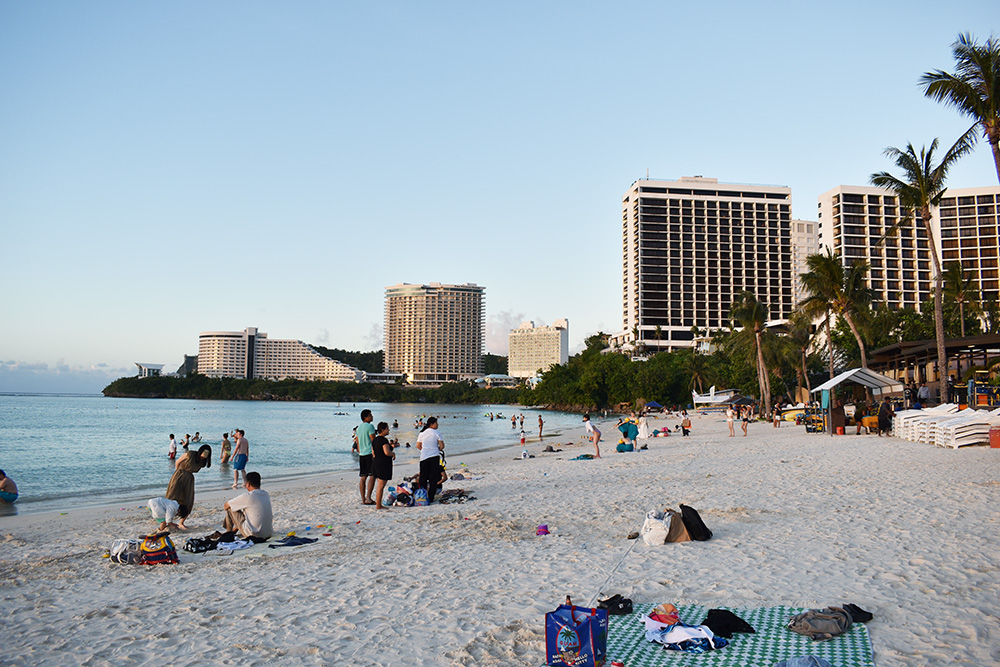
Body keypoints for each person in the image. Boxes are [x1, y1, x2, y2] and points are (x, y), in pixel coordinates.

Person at [223, 471, 273, 540]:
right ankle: (232, 532)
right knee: (246, 510)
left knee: (231, 508)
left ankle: (228, 534)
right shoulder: (265, 494)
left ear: (248, 484)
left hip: (253, 534)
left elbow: (226, 506)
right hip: (267, 533)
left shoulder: (248, 496)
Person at [165, 445, 212, 516]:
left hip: (189, 479)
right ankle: (166, 518)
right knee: (172, 496)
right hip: (179, 475)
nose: (202, 458)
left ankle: (182, 521)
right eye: (202, 456)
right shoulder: (190, 454)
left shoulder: (203, 462)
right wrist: (177, 473)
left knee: (188, 499)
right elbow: (177, 462)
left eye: (204, 457)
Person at [416, 417, 444, 503]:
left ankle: (423, 495)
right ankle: (431, 497)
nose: (437, 425)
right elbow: (442, 446)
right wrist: (436, 449)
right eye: (436, 423)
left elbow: (418, 446)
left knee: (423, 477)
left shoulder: (422, 433)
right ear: (432, 424)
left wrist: (425, 450)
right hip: (434, 456)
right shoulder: (437, 433)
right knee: (433, 478)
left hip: (424, 457)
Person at [372, 422, 395, 510]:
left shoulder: (375, 440)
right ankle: (378, 505)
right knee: (381, 486)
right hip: (383, 464)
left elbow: (373, 453)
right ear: (383, 429)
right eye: (387, 428)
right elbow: (387, 452)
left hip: (376, 462)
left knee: (379, 485)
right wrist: (393, 454)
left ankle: (378, 504)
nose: (388, 430)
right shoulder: (383, 440)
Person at [356, 409, 376, 505]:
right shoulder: (370, 426)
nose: (372, 417)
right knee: (372, 475)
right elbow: (373, 440)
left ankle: (363, 499)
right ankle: (368, 497)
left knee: (363, 477)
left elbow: (357, 442)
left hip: (362, 454)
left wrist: (360, 451)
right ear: (366, 417)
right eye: (370, 415)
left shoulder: (358, 428)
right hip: (369, 453)